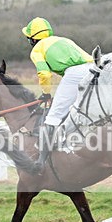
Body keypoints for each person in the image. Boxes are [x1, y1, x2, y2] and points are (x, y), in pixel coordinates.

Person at [22, 17, 93, 174]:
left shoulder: (37, 50)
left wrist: (46, 93)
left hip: (74, 74)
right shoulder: (63, 39)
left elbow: (44, 74)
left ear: (32, 39)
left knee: (53, 116)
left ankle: (40, 162)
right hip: (94, 69)